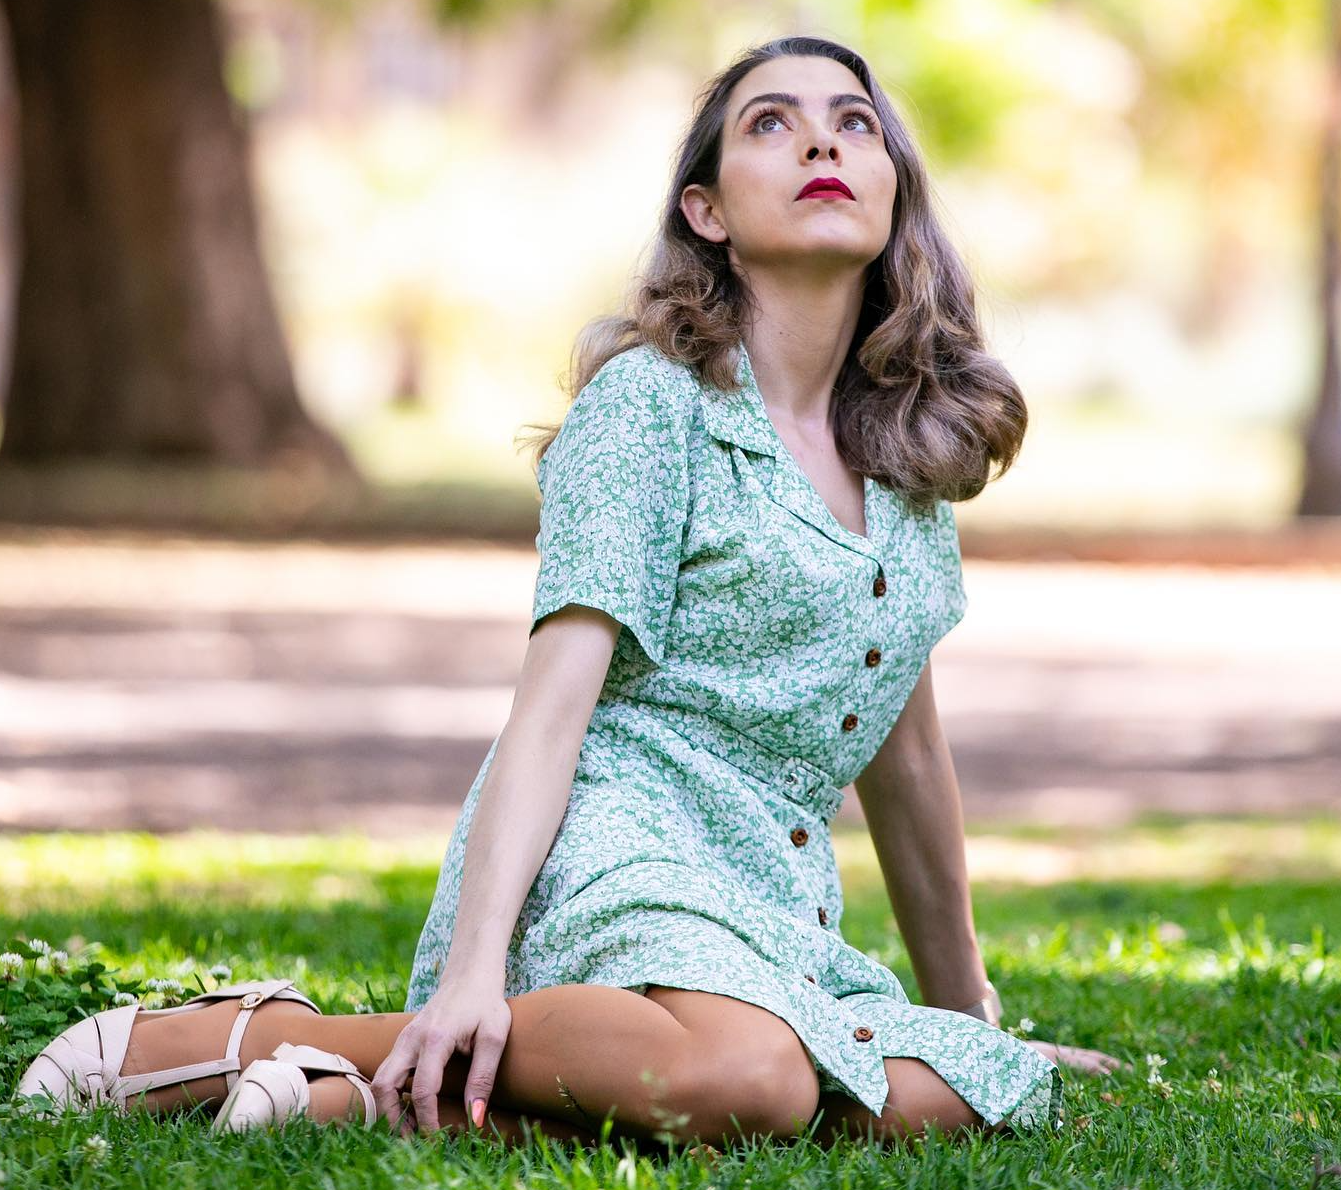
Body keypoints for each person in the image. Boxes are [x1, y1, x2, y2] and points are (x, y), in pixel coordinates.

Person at [15, 32, 1118, 1152]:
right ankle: (283, 1034)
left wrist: (968, 1019)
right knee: (762, 1081)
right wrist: (471, 968)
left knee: (952, 1090)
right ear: (707, 211)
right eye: (769, 123)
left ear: (892, 192)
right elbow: (550, 708)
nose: (822, 139)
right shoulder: (651, 406)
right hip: (609, 845)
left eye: (854, 122)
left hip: (765, 900)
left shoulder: (903, 455)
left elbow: (907, 751)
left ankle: (365, 1097)